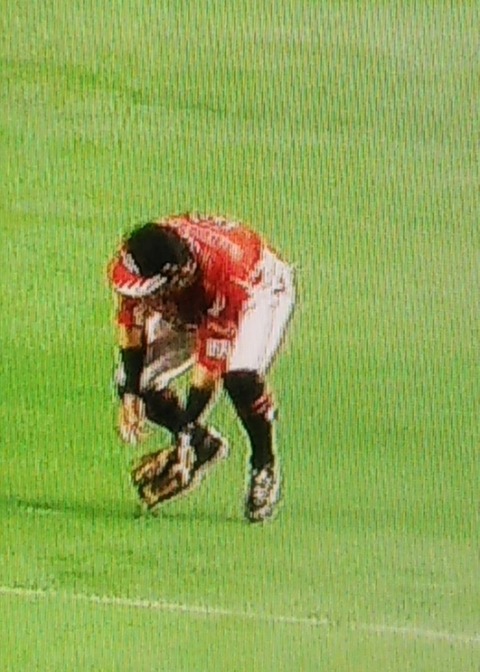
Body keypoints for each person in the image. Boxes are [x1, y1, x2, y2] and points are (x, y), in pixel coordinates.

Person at [108, 213, 295, 522]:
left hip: (256, 291)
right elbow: (131, 325)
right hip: (191, 300)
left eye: (148, 292)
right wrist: (130, 394)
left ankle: (264, 464)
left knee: (240, 376)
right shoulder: (142, 256)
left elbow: (208, 372)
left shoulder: (222, 280)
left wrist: (181, 441)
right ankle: (202, 444)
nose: (142, 299)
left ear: (173, 279)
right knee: (135, 381)